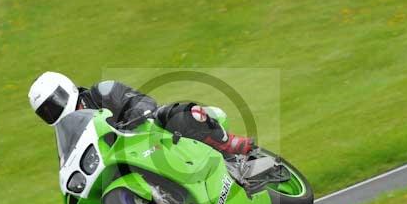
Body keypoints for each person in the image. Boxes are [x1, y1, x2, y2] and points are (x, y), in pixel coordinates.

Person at [28, 71, 255, 155]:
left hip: (151, 134)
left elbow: (141, 101)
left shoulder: (103, 91)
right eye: (45, 111)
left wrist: (137, 115)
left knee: (173, 114)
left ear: (66, 89)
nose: (53, 111)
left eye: (53, 103)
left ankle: (230, 144)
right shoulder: (68, 135)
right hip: (128, 158)